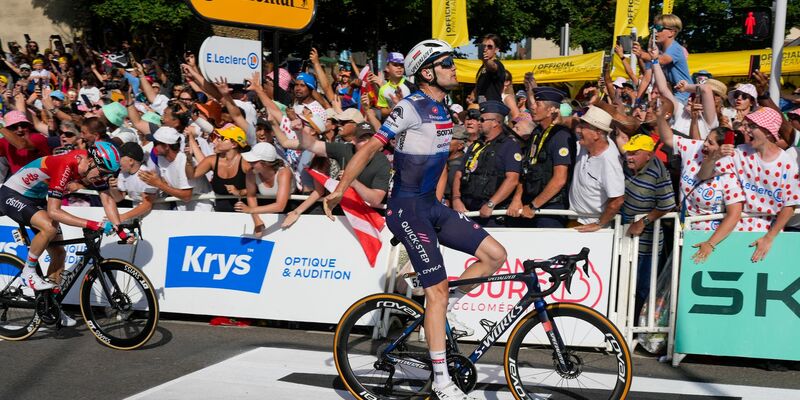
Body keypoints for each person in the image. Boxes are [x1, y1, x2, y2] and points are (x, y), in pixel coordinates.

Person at [323, 39, 506, 400]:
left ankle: (445, 308)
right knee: (436, 291)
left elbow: (439, 159)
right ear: (427, 73)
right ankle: (441, 381)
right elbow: (369, 148)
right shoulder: (409, 107)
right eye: (446, 63)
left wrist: (441, 199)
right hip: (406, 209)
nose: (454, 68)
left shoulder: (444, 108)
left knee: (495, 255)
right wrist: (340, 189)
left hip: (430, 206)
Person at [0, 142, 129, 326]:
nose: (102, 178)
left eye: (107, 175)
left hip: (35, 198)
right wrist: (92, 224)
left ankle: (50, 305)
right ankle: (28, 271)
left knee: (59, 253)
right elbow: (54, 212)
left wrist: (120, 229)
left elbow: (107, 199)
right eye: (101, 173)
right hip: (12, 194)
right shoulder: (67, 164)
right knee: (49, 228)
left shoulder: (92, 168)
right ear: (91, 162)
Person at [703, 107, 800, 262]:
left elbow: (790, 205)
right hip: (735, 228)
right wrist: (715, 156)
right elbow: (704, 175)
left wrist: (769, 237)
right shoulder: (739, 153)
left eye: (753, 126)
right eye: (747, 125)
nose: (746, 129)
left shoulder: (787, 163)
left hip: (769, 233)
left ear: (768, 132)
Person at [619, 134, 676, 318]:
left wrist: (643, 222)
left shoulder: (657, 172)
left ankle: (638, 325)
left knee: (643, 287)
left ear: (649, 155)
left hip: (647, 242)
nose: (629, 157)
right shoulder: (625, 165)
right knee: (622, 284)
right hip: (623, 236)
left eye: (635, 153)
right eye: (628, 152)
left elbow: (668, 204)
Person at [509, 87, 575, 228]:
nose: (532, 107)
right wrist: (517, 198)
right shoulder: (537, 132)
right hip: (529, 203)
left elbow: (559, 179)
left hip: (550, 208)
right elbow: (526, 169)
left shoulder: (561, 136)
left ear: (551, 110)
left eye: (538, 104)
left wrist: (534, 206)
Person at [451, 100, 521, 227]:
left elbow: (512, 179)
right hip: (468, 210)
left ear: (495, 122)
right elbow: (459, 174)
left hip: (492, 215)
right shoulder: (476, 145)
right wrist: (456, 199)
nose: (478, 123)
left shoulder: (509, 146)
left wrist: (491, 204)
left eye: (482, 120)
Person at [569, 106, 625, 231]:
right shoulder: (587, 145)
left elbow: (617, 200)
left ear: (597, 133)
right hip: (575, 219)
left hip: (591, 229)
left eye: (583, 127)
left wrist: (599, 224)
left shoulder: (609, 161)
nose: (578, 130)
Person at [139, 127, 214, 211]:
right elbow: (166, 183)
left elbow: (186, 195)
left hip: (203, 208)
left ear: (166, 146)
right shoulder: (161, 159)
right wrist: (152, 180)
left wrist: (158, 183)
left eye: (155, 143)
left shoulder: (183, 161)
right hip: (182, 208)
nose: (153, 147)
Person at [234, 142, 294, 236]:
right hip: (265, 208)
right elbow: (251, 196)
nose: (249, 163)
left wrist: (250, 210)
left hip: (291, 208)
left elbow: (280, 206)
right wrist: (257, 221)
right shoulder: (251, 173)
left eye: (253, 161)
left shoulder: (284, 172)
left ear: (265, 164)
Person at [186, 124, 250, 212]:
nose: (215, 141)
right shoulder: (211, 160)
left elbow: (260, 187)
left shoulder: (246, 163)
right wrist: (188, 160)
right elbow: (192, 175)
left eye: (221, 138)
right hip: (219, 214)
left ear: (234, 144)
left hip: (244, 214)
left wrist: (240, 192)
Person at [110, 142, 158, 222]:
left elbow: (147, 204)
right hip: (136, 213)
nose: (117, 160)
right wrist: (113, 188)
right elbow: (118, 198)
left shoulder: (145, 174)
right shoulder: (122, 173)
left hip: (156, 213)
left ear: (131, 161)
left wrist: (123, 217)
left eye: (120, 157)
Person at [376, 52, 411, 118]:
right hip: (393, 123)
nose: (399, 67)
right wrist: (394, 109)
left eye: (401, 65)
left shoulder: (411, 86)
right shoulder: (383, 89)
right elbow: (382, 112)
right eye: (395, 65)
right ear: (387, 68)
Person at [472, 34, 505, 103]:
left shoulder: (498, 64)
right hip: (482, 105)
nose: (485, 49)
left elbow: (493, 67)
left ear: (496, 50)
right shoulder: (482, 67)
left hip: (492, 106)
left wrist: (486, 60)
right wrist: (473, 95)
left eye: (489, 46)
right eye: (483, 46)